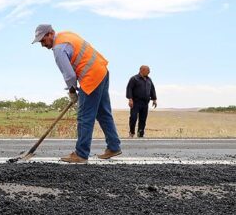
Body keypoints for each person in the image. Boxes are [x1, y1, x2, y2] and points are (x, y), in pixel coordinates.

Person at [32, 24, 122, 163]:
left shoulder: (58, 49)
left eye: (43, 40)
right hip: (102, 71)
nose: (42, 45)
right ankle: (114, 146)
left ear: (51, 34)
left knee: (84, 117)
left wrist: (72, 91)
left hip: (91, 77)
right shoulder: (66, 35)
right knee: (103, 113)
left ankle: (81, 154)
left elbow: (69, 75)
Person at [126, 65, 157, 138]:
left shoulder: (149, 80)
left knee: (143, 119)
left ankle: (140, 133)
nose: (149, 72)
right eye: (148, 70)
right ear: (142, 70)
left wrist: (154, 99)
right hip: (136, 102)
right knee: (133, 117)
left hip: (145, 103)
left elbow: (152, 89)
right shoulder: (134, 79)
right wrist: (130, 99)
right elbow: (129, 88)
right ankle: (132, 132)